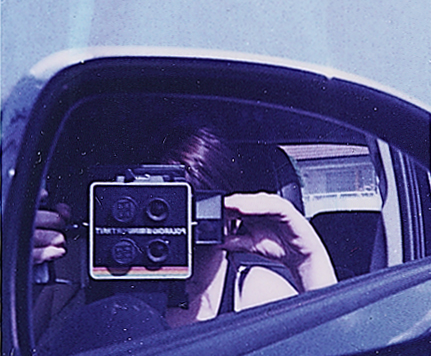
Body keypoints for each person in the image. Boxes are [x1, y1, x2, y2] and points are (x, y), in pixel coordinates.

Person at [32, 124, 337, 330]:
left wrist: (306, 261)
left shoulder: (254, 295)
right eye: (145, 217)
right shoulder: (73, 288)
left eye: (192, 223)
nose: (167, 241)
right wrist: (25, 265)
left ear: (229, 218)